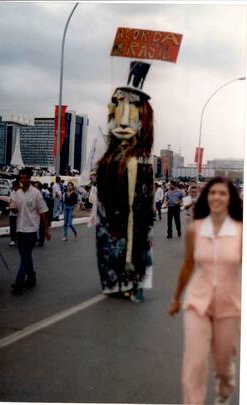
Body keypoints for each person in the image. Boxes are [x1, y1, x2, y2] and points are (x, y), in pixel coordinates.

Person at [169, 176, 243, 405]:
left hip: (229, 305)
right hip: (197, 303)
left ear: (230, 199)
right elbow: (188, 265)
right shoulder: (195, 230)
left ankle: (224, 392)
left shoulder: (241, 231)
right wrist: (176, 298)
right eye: (212, 192)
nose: (217, 197)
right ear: (206, 197)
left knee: (223, 365)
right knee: (194, 363)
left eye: (222, 193)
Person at [96, 60, 154, 302]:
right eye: (119, 108)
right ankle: (114, 284)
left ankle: (133, 283)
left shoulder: (142, 160)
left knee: (136, 240)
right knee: (108, 243)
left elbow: (144, 200)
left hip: (134, 216)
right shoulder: (108, 158)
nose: (123, 121)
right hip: (109, 216)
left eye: (132, 111)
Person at [10, 168, 51, 295]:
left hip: (32, 230)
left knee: (25, 256)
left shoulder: (36, 193)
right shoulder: (17, 193)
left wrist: (46, 230)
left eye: (25, 177)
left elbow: (43, 212)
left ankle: (19, 282)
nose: (23, 180)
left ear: (30, 178)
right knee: (25, 256)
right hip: (20, 229)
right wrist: (13, 208)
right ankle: (32, 277)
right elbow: (15, 210)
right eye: (21, 177)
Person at [9, 180, 20, 246]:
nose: (15, 188)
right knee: (12, 227)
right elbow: (10, 201)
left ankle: (18, 239)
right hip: (12, 213)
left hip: (19, 213)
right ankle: (13, 239)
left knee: (18, 227)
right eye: (14, 187)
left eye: (16, 186)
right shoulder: (12, 193)